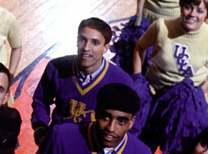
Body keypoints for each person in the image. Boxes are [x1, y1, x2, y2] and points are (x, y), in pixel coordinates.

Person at [133, 0, 208, 153]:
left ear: (207, 15)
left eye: (200, 11)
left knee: (180, 148)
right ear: (181, 7)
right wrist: (137, 76)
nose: (192, 14)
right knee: (140, 142)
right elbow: (140, 47)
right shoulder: (161, 26)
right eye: (188, 7)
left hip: (185, 99)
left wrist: (200, 91)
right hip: (155, 91)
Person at [31, 17, 136, 145]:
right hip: (57, 141)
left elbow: (128, 122)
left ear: (106, 48)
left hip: (95, 147)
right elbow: (40, 101)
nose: (86, 47)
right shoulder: (57, 67)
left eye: (95, 43)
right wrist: (40, 130)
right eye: (82, 39)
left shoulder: (122, 81)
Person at [25, 83, 152, 154]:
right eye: (106, 117)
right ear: (96, 112)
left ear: (131, 122)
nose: (111, 128)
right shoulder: (61, 137)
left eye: (121, 121)